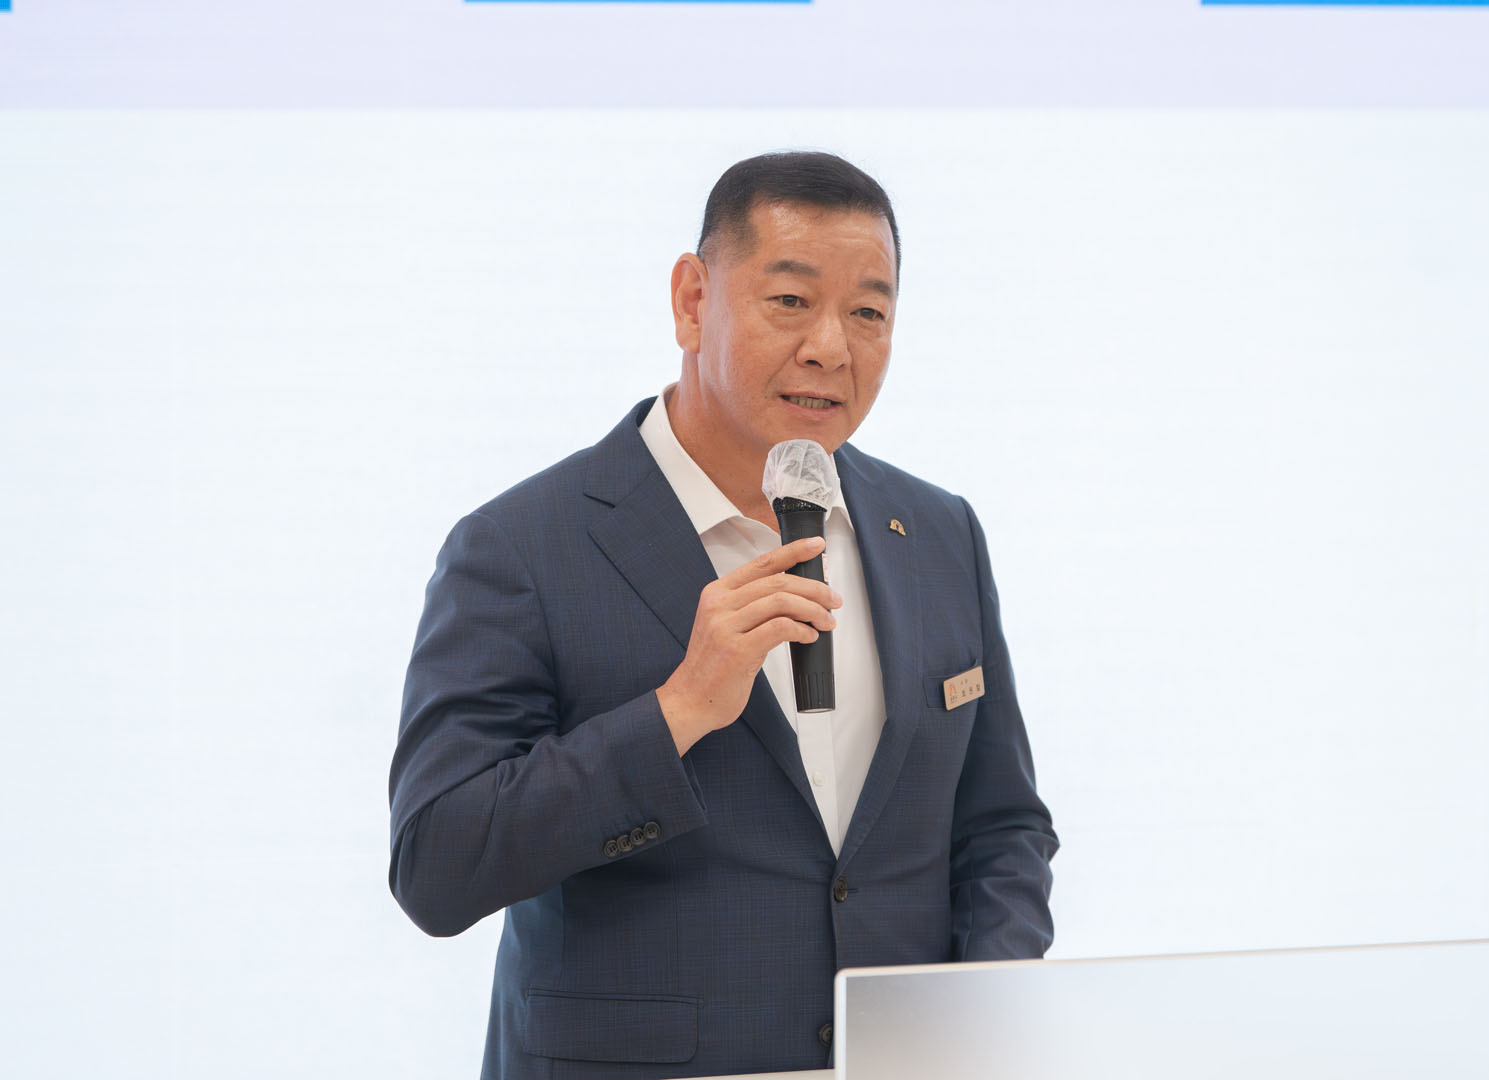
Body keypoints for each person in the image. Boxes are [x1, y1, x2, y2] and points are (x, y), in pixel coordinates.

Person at [388, 151, 1058, 1080]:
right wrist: (679, 711)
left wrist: (982, 1011)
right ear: (692, 301)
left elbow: (1002, 827)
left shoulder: (938, 532)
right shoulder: (521, 547)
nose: (831, 347)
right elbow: (436, 865)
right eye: (791, 300)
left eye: (869, 312)